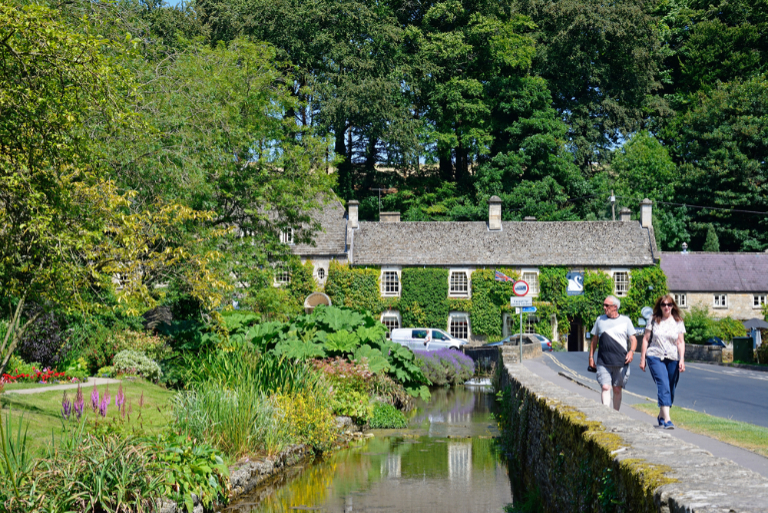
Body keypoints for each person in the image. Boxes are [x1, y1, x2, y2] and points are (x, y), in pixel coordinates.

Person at [640, 295, 686, 429]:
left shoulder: (678, 321)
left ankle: (661, 415)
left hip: (673, 358)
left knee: (670, 388)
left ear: (673, 306)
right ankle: (667, 419)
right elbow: (645, 339)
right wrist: (643, 358)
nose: (666, 307)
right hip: (655, 356)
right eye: (663, 305)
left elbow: (681, 342)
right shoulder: (654, 320)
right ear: (659, 306)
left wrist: (682, 359)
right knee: (663, 384)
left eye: (669, 305)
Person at [588, 295, 637, 411]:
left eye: (607, 305)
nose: (604, 308)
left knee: (617, 389)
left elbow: (633, 339)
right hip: (603, 361)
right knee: (605, 387)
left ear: (615, 307)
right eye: (604, 305)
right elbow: (594, 339)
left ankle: (615, 414)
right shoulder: (600, 320)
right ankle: (607, 415)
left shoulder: (626, 321)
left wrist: (632, 351)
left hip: (620, 361)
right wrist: (591, 357)